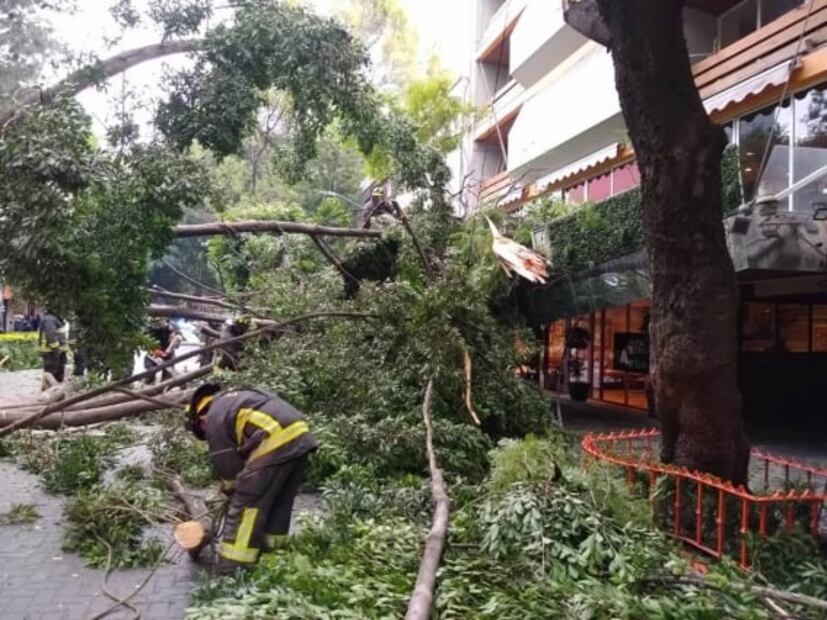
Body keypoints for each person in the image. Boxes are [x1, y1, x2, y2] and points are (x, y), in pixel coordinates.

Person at [184, 383, 317, 574]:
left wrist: (232, 491)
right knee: (279, 500)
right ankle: (274, 556)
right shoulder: (234, 400)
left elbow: (227, 466)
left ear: (201, 419)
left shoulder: (214, 417)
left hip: (274, 440)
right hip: (301, 437)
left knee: (246, 505)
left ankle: (232, 568)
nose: (206, 434)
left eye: (202, 431)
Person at [144, 318, 181, 383]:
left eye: (159, 321)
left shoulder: (171, 326)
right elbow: (144, 342)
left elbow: (177, 339)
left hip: (167, 351)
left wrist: (169, 350)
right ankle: (149, 380)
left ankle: (165, 381)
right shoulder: (148, 328)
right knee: (150, 374)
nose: (157, 323)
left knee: (167, 377)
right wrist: (153, 350)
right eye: (155, 322)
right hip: (153, 351)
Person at [38, 308, 68, 387]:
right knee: (52, 375)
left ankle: (54, 390)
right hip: (51, 352)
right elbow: (51, 336)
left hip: (56, 352)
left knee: (57, 375)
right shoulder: (50, 320)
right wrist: (56, 350)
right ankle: (50, 391)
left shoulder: (55, 319)